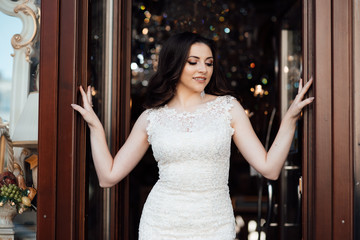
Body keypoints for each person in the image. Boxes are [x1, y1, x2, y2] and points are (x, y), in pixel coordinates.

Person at [71, 32, 314, 240]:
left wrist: (291, 118)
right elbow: (108, 176)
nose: (203, 69)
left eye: (208, 63)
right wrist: (94, 126)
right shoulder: (151, 117)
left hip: (214, 224)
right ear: (174, 64)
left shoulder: (228, 108)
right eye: (193, 62)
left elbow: (269, 168)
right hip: (161, 224)